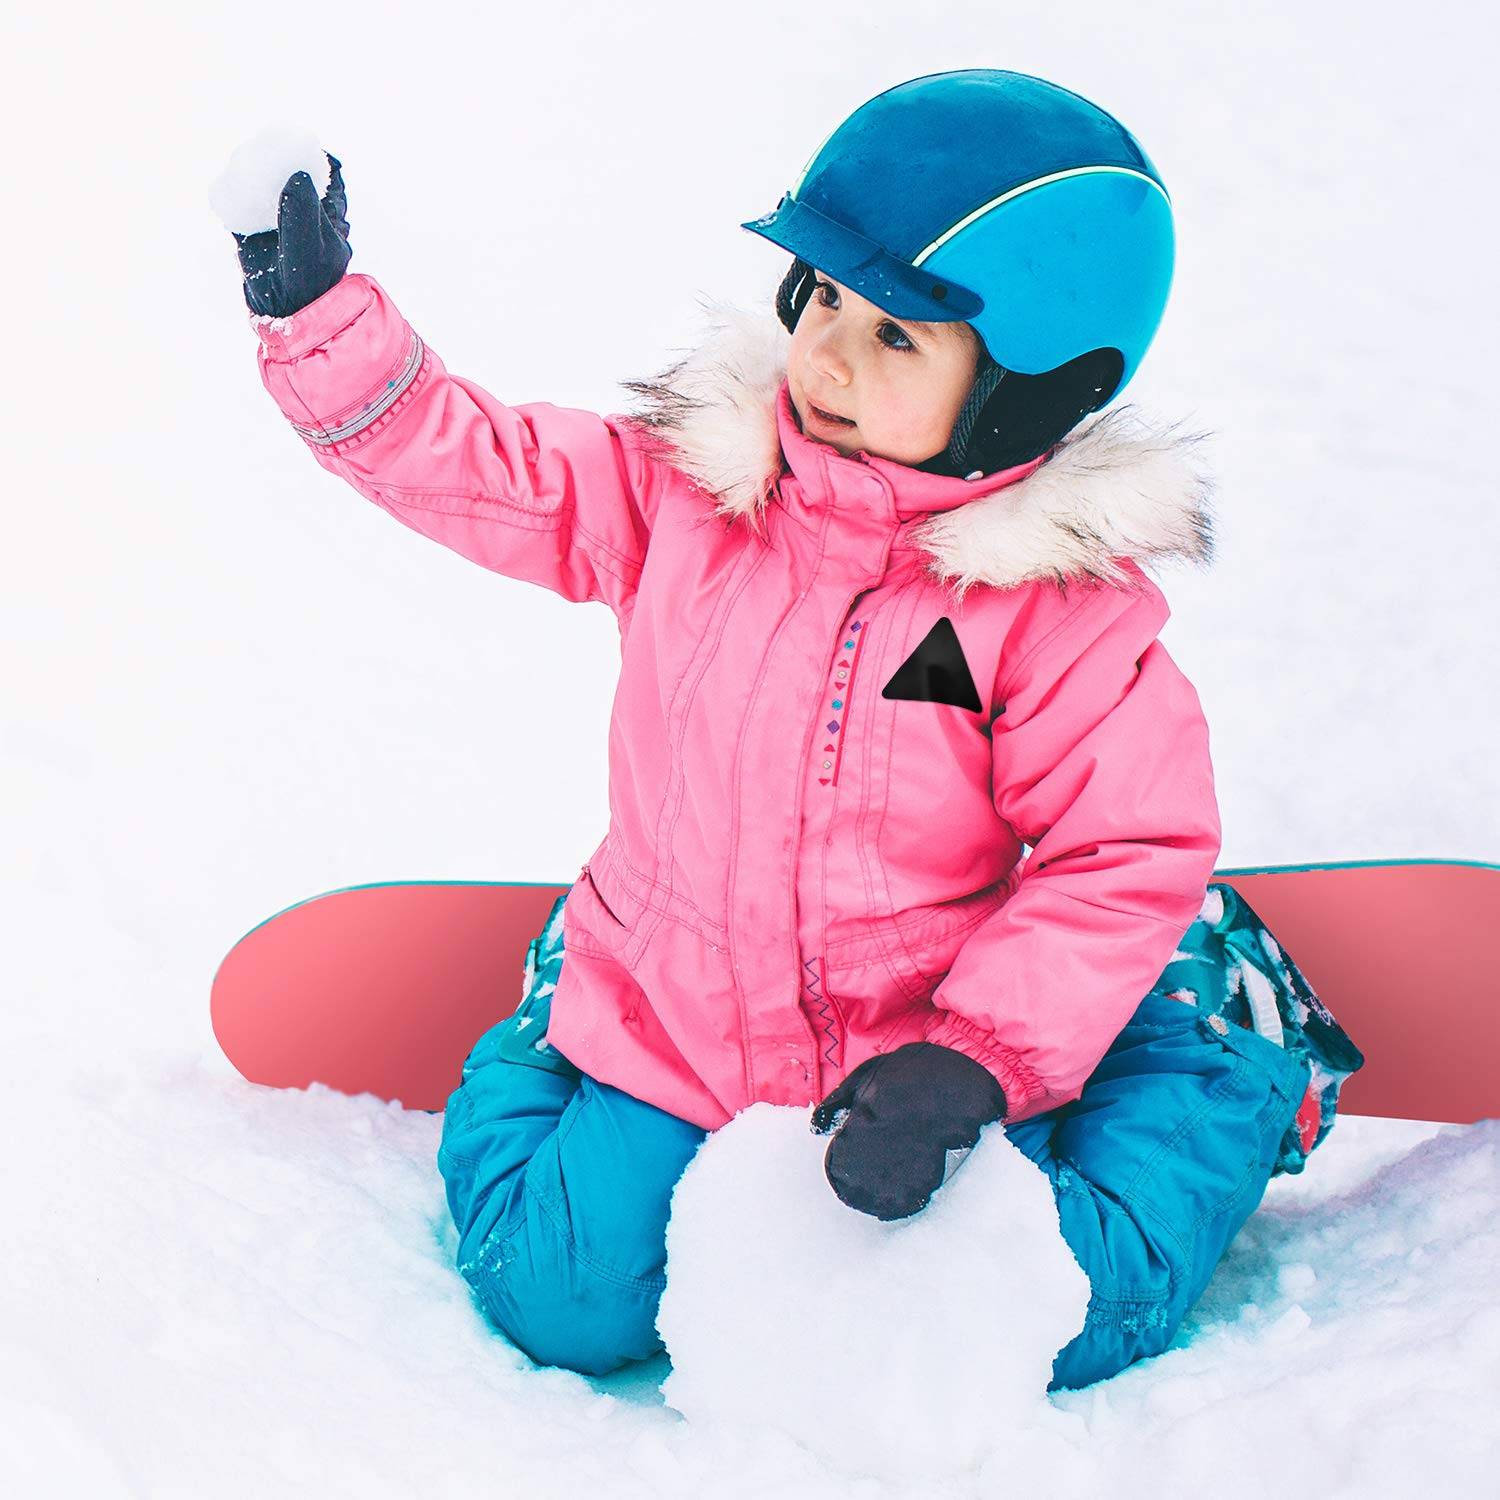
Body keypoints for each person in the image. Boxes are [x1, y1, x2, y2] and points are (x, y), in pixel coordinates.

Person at [226, 70, 1362, 1391]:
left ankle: (1216, 1024)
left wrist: (975, 1063)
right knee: (559, 1299)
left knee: (1048, 1323)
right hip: (684, 1020)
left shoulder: (1053, 617)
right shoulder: (700, 492)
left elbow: (1122, 852)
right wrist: (322, 325)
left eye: (895, 337)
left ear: (1027, 387)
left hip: (926, 1057)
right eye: (823, 299)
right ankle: (562, 1000)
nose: (825, 354)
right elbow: (492, 469)